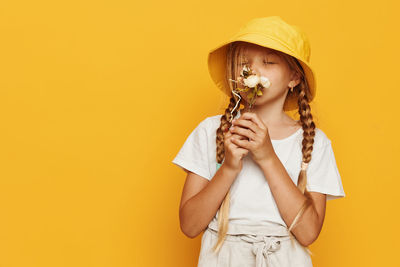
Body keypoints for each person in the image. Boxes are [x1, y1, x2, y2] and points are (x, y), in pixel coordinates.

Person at [172, 16, 345, 267]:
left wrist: (267, 157)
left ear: (294, 77)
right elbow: (189, 225)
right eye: (243, 63)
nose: (252, 70)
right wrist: (229, 167)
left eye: (268, 62)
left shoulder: (315, 143)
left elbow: (308, 233)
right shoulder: (210, 131)